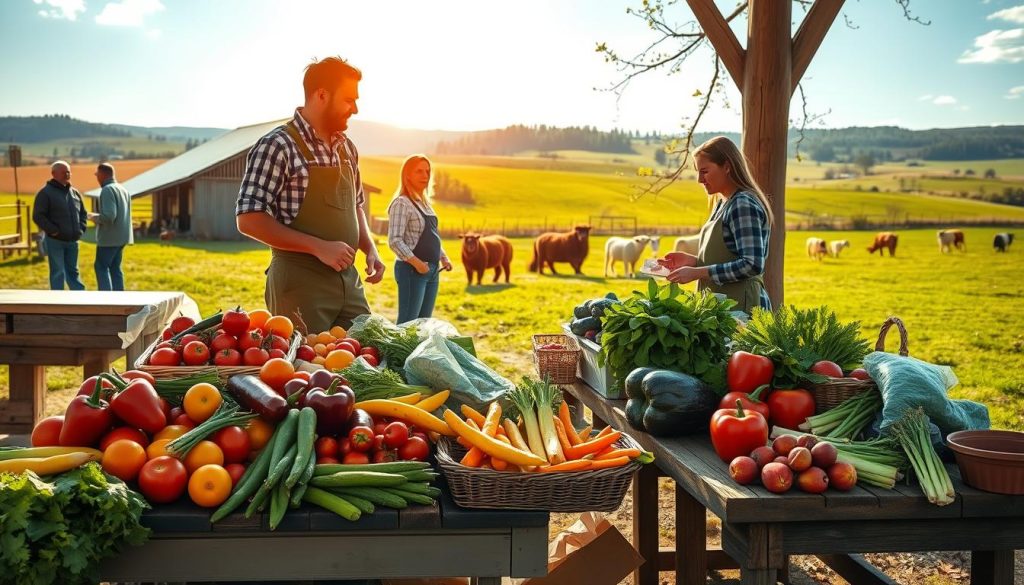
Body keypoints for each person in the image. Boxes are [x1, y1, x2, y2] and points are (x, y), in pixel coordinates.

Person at [236, 56, 385, 333]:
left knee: (367, 359)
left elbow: (356, 206)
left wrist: (370, 248)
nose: (355, 108)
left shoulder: (347, 148)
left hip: (347, 282)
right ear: (321, 95)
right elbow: (248, 218)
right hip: (299, 288)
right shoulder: (277, 145)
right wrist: (319, 247)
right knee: (308, 371)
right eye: (349, 100)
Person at [657, 136, 773, 313]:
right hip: (725, 308)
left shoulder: (742, 204)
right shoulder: (722, 204)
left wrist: (698, 272)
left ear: (727, 166)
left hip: (743, 311)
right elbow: (728, 258)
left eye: (704, 171)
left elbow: (752, 264)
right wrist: (694, 262)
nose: (699, 180)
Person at [387, 155, 452, 323]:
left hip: (432, 271)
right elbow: (395, 240)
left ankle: (418, 351)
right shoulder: (402, 203)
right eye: (419, 171)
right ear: (407, 174)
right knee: (407, 325)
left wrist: (443, 258)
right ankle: (400, 351)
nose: (425, 175)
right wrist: (417, 264)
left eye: (427, 171)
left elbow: (433, 235)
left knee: (423, 325)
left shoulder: (426, 205)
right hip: (412, 270)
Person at [32, 161, 87, 290]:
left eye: (69, 171)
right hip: (55, 241)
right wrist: (53, 231)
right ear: (53, 174)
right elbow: (38, 216)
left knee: (74, 272)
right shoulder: (45, 193)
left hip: (73, 241)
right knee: (58, 272)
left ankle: (80, 300)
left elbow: (83, 213)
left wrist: (81, 229)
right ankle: (57, 302)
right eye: (64, 172)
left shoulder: (75, 193)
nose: (67, 174)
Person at [89, 163, 133, 291]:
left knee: (101, 267)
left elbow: (109, 216)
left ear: (102, 175)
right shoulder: (123, 189)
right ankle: (119, 299)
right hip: (123, 237)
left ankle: (106, 300)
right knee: (115, 268)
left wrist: (93, 217)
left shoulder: (107, 190)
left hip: (110, 238)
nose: (97, 177)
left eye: (97, 174)